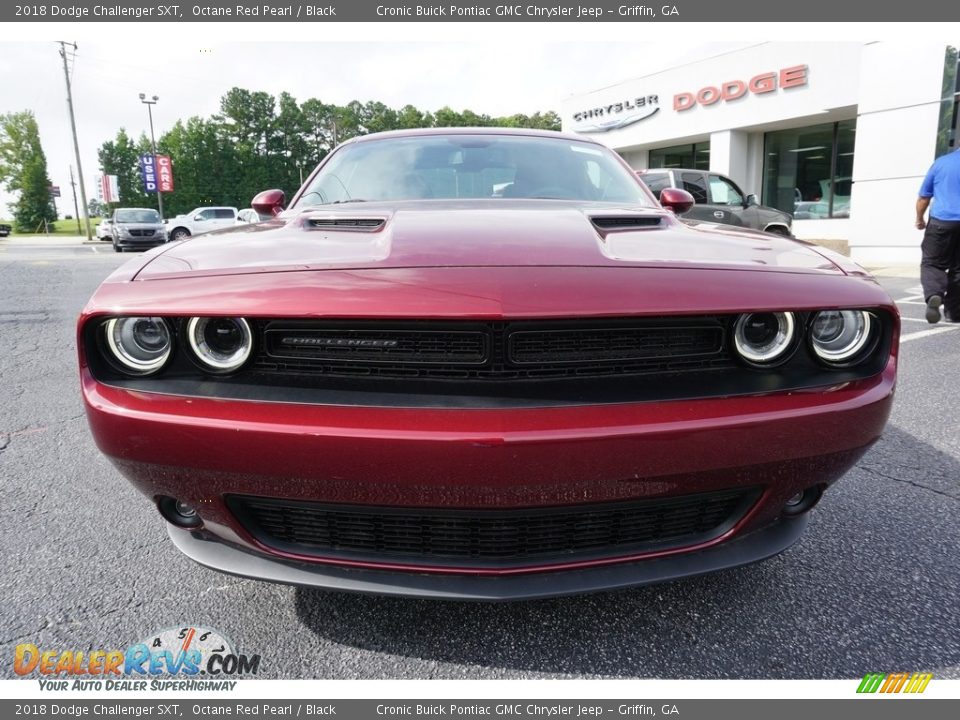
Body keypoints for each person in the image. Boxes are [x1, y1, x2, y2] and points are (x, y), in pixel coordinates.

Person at [916, 146, 960, 323]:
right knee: (959, 269)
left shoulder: (941, 163)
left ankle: (934, 294)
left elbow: (923, 198)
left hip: (942, 221)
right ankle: (955, 313)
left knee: (932, 263)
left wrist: (919, 218)